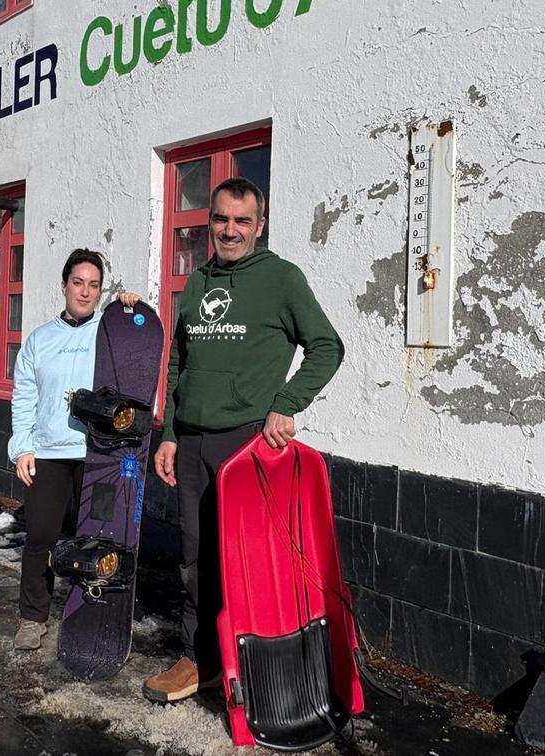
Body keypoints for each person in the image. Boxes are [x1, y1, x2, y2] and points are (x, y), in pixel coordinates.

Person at [142, 177, 344, 703]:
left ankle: (261, 669)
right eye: (221, 220)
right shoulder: (196, 283)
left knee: (252, 558)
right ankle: (200, 659)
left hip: (247, 444)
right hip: (191, 446)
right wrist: (169, 434)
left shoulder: (281, 280)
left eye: (241, 221)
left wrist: (286, 403)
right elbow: (179, 362)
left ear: (259, 224)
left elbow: (326, 346)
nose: (230, 231)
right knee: (194, 557)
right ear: (209, 221)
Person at [8, 248, 141, 650]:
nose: (85, 292)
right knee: (40, 538)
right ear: (64, 285)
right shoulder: (40, 340)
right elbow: (24, 397)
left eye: (94, 285)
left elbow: (138, 350)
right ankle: (33, 619)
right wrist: (23, 448)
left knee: (99, 539)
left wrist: (128, 309)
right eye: (78, 283)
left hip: (97, 455)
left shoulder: (107, 333)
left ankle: (93, 614)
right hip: (49, 454)